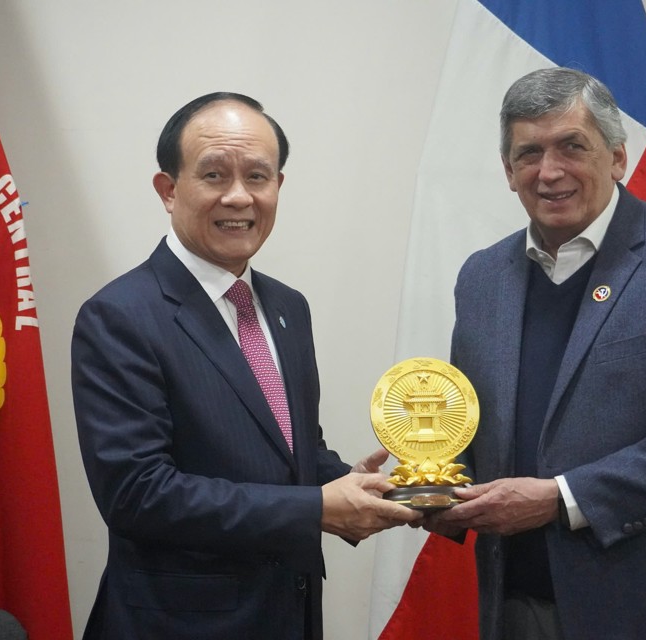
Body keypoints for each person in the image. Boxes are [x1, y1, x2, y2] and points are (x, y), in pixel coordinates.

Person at [71, 92, 421, 640]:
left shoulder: (288, 307)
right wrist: (313, 508)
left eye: (258, 176)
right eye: (213, 175)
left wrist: (359, 488)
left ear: (279, 186)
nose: (239, 197)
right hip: (179, 625)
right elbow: (137, 493)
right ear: (168, 190)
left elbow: (285, 450)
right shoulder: (119, 316)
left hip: (290, 614)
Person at [426, 67, 646, 639]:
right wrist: (428, 485)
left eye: (572, 146)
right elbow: (471, 430)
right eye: (529, 153)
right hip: (518, 607)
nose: (549, 171)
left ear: (618, 158)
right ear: (508, 171)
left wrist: (559, 499)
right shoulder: (481, 276)